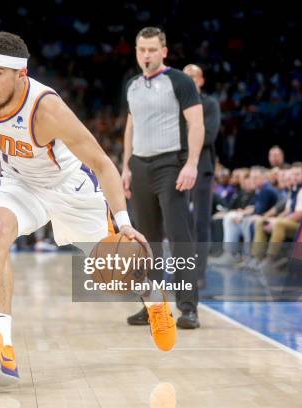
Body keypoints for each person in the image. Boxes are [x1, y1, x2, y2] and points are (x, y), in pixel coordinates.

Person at [0, 31, 172, 387]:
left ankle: (152, 296)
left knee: (114, 278)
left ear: (20, 76)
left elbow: (102, 162)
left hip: (71, 189)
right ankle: (3, 347)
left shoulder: (47, 109)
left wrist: (124, 222)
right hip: (20, 183)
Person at [122, 27, 204, 329]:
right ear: (136, 51)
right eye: (142, 49)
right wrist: (126, 167)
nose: (146, 55)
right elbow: (131, 127)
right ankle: (152, 306)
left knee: (180, 239)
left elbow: (196, 124)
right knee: (147, 242)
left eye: (152, 49)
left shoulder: (179, 81)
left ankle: (188, 308)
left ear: (164, 51)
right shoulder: (131, 85)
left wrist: (191, 163)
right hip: (140, 167)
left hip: (171, 164)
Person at [183, 64, 220, 288]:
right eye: (185, 77)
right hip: (177, 167)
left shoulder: (210, 104)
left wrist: (186, 135)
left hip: (202, 167)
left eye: (193, 76)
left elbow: (209, 135)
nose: (190, 80)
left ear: (202, 80)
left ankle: (199, 274)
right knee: (179, 223)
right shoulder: (176, 105)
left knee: (200, 222)